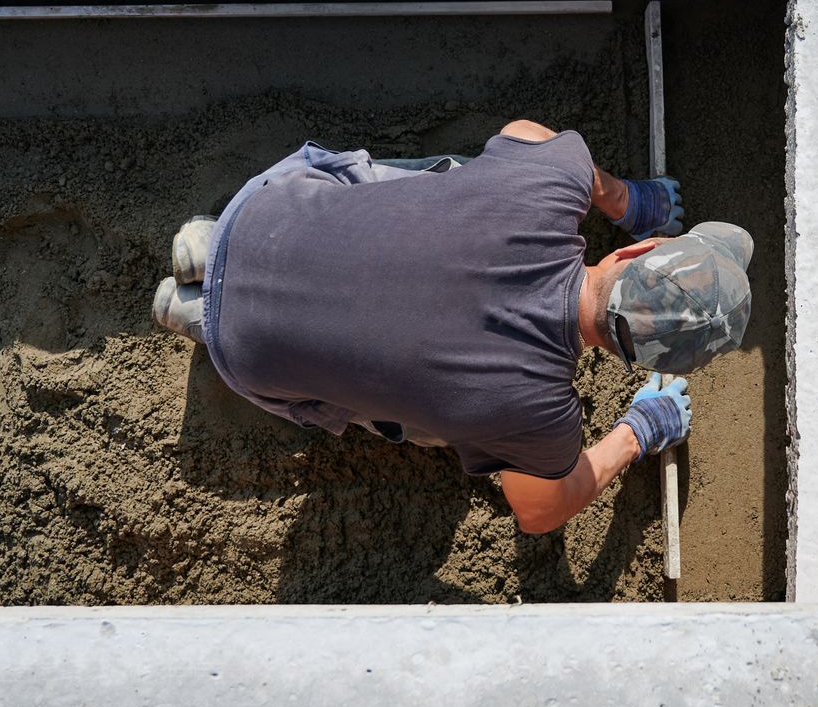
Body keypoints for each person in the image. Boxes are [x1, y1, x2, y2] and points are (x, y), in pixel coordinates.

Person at [151, 119, 754, 534]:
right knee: (454, 425)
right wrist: (639, 430)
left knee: (462, 173)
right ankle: (197, 315)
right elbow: (540, 512)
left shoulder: (551, 181)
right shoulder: (539, 421)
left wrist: (622, 198)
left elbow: (525, 135)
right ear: (641, 362)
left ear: (635, 250)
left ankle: (209, 249)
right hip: (244, 358)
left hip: (264, 210)